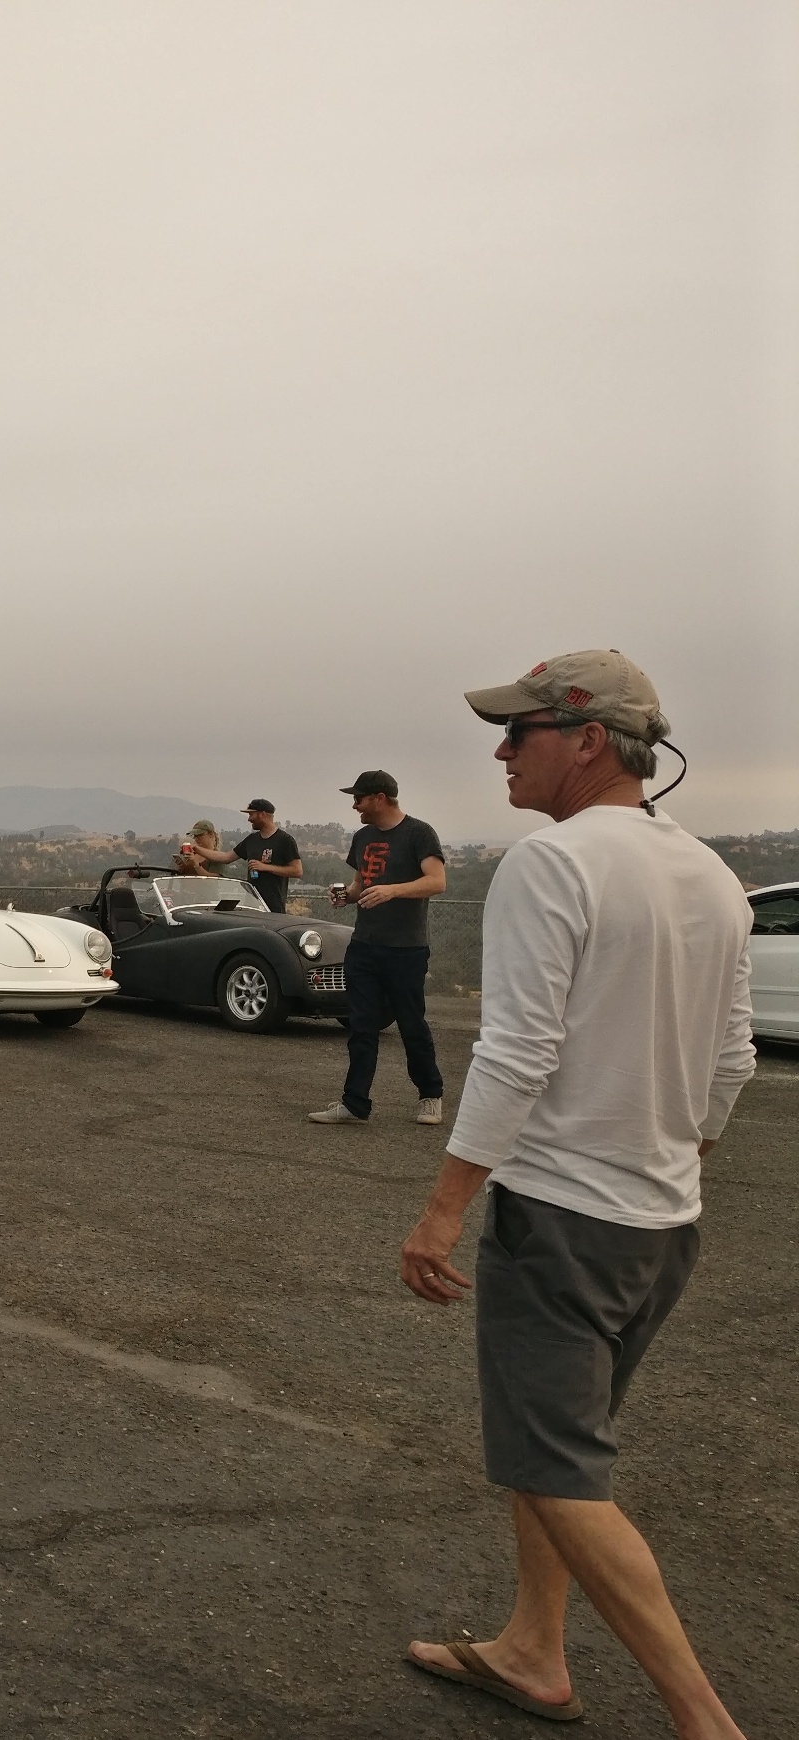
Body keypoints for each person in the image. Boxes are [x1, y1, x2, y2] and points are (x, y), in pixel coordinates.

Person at [398, 650, 754, 1736]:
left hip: (562, 1220)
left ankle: (703, 1719)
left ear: (588, 738)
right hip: (662, 1225)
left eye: (520, 732)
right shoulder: (711, 876)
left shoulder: (550, 864)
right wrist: (674, 1160)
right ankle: (533, 1649)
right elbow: (731, 1060)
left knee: (558, 1469)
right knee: (554, 1446)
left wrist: (444, 1208)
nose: (502, 752)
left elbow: (516, 1052)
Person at [308, 771, 448, 1125]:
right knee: (361, 1027)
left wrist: (392, 890)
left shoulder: (419, 833)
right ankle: (354, 1103)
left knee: (411, 1025)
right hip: (364, 946)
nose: (355, 805)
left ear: (380, 798)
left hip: (406, 950)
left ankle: (430, 1095)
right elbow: (360, 885)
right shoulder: (362, 837)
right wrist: (346, 896)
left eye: (359, 798)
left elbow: (437, 881)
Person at [191, 800, 302, 911]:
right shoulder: (251, 840)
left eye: (251, 815)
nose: (249, 819)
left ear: (262, 814)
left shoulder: (285, 840)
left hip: (273, 907)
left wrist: (265, 867)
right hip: (252, 904)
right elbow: (226, 857)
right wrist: (196, 849)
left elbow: (297, 871)